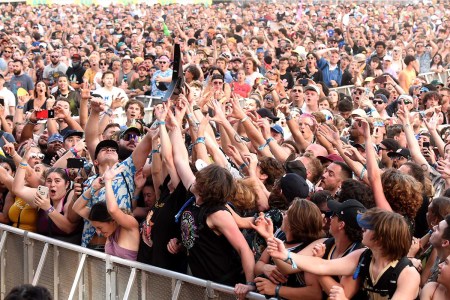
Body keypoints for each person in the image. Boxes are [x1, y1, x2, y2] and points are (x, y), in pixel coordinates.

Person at [266, 208, 420, 299]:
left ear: (380, 238)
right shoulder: (364, 256)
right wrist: (287, 255)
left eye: (367, 227)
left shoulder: (407, 274)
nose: (362, 229)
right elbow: (323, 265)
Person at [73, 165, 139, 260]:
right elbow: (77, 208)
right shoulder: (108, 228)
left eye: (99, 227)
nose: (98, 232)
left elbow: (112, 210)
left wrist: (108, 181)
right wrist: (93, 188)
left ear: (112, 220)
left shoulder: (129, 225)